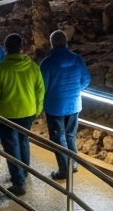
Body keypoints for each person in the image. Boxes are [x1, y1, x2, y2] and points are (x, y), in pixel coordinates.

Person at [0, 33, 44, 196]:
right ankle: (24, 172)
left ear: (6, 48)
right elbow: (40, 90)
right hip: (28, 112)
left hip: (6, 115)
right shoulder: (32, 67)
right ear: (21, 48)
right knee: (23, 141)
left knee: (11, 146)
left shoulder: (0, 68)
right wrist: (37, 110)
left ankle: (18, 182)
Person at [39, 30, 91, 179]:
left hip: (54, 106)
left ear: (52, 44)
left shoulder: (47, 63)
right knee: (70, 135)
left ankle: (64, 169)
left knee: (58, 138)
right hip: (74, 104)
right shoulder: (77, 59)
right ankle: (73, 164)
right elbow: (86, 79)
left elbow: (43, 86)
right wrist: (74, 90)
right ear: (66, 42)